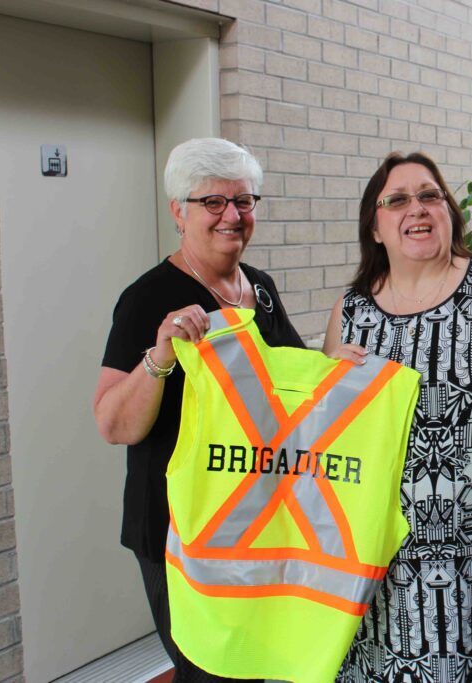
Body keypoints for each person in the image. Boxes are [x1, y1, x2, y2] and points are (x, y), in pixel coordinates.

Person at [324, 151, 472, 682]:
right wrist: (325, 387)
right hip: (378, 558)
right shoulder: (351, 310)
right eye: (399, 199)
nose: (418, 207)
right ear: (376, 225)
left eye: (431, 195)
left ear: (449, 212)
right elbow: (327, 435)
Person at [94, 137, 304, 683]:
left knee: (250, 669)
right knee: (210, 673)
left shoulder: (261, 287)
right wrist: (158, 357)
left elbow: (295, 385)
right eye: (214, 202)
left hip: (251, 521)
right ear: (178, 213)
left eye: (245, 201)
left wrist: (347, 371)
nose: (232, 216)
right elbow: (112, 424)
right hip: (177, 530)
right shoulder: (147, 298)